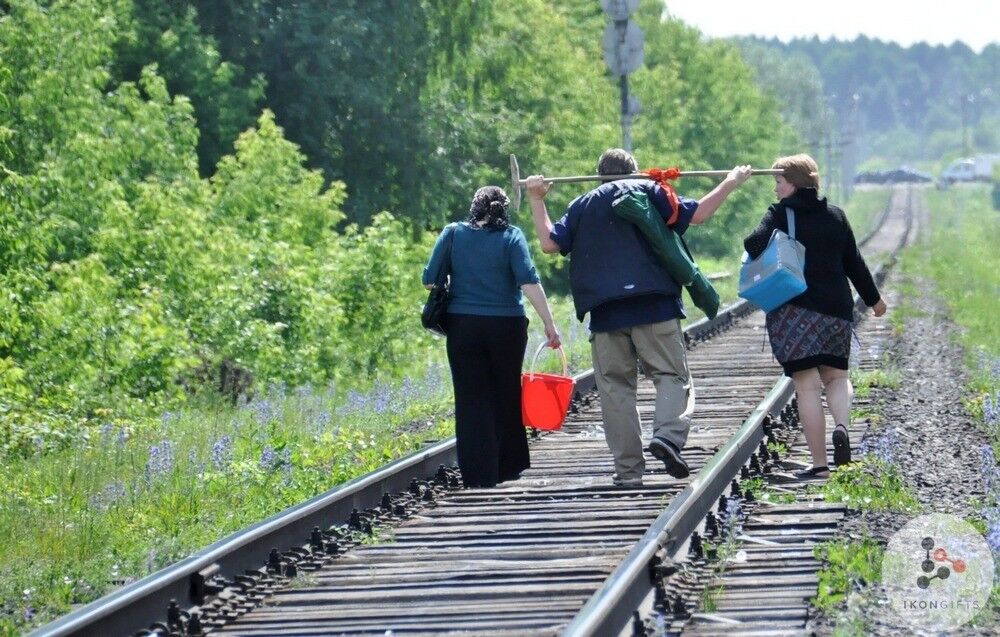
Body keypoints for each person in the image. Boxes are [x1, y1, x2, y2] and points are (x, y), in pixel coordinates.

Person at [525, 149, 752, 487]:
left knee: (616, 390)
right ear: (634, 171)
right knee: (672, 376)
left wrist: (535, 198)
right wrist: (730, 183)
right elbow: (700, 215)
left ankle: (629, 473)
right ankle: (667, 436)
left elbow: (548, 243)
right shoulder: (650, 190)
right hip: (655, 306)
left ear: (598, 175)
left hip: (605, 314)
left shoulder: (582, 205)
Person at [743, 154, 886, 480]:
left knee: (807, 388)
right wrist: (874, 300)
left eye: (779, 181)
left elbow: (752, 244)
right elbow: (855, 264)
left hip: (795, 312)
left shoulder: (780, 213)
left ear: (793, 183)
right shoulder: (836, 216)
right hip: (836, 311)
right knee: (837, 378)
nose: (776, 188)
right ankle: (841, 426)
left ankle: (820, 465)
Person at [422, 186, 561, 488]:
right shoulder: (512, 236)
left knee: (471, 399)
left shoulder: (453, 233)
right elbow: (529, 281)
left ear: (474, 207)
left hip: (463, 327)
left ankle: (478, 475)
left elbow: (430, 279)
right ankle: (508, 467)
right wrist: (550, 325)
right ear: (504, 210)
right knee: (506, 393)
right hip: (506, 327)